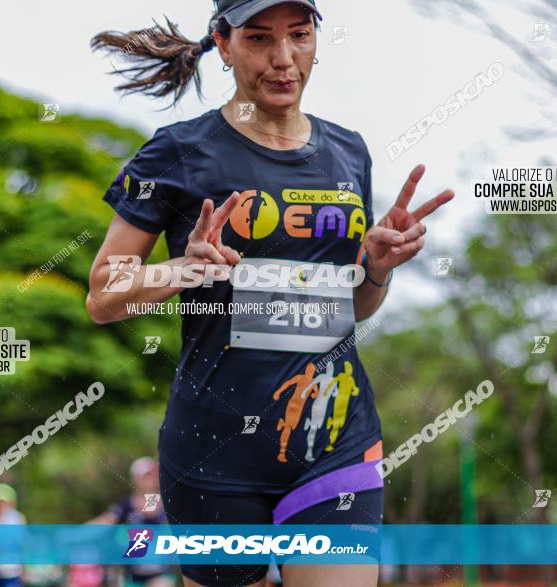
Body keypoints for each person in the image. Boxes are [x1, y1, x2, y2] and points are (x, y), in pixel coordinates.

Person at [87, 1, 454, 585]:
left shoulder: (347, 151)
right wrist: (181, 268)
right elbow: (104, 296)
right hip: (214, 451)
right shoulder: (177, 151)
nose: (283, 60)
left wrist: (376, 268)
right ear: (224, 44)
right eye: (259, 39)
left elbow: (351, 308)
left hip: (335, 436)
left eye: (299, 37)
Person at [89, 458, 175, 587]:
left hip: (160, 572)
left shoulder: (167, 503)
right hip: (134, 574)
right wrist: (74, 533)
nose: (151, 479)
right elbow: (105, 522)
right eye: (146, 475)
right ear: (136, 479)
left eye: (153, 474)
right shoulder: (126, 505)